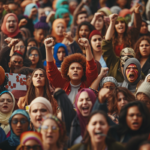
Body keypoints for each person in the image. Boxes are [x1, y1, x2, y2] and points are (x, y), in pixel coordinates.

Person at [45, 37, 98, 102]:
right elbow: (51, 70)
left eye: (78, 68)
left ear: (83, 72)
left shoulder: (87, 84)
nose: (75, 70)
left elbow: (91, 68)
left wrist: (87, 47)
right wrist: (47, 48)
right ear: (67, 72)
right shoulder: (62, 84)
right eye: (72, 68)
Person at [101, 14, 136, 82]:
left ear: (126, 25)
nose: (120, 24)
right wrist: (112, 22)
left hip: (130, 66)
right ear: (114, 27)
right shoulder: (111, 40)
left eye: (122, 22)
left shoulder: (132, 38)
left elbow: (137, 25)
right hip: (115, 67)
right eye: (117, 23)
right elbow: (106, 41)